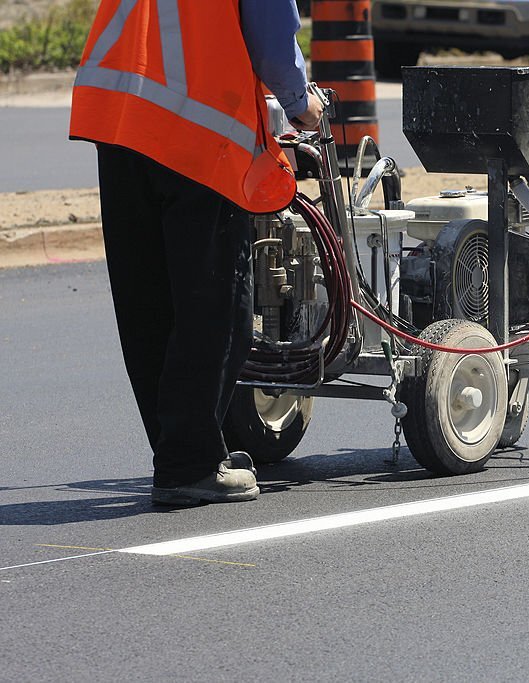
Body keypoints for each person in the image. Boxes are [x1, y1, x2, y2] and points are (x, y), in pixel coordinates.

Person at [69, 0, 323, 506]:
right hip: (195, 127)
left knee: (148, 298)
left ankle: (182, 451)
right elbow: (270, 35)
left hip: (119, 118)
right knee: (215, 303)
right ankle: (190, 461)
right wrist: (301, 102)